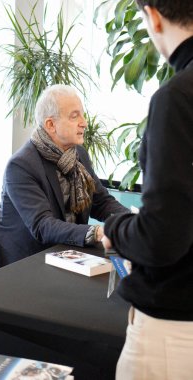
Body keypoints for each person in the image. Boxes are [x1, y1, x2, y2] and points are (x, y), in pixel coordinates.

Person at [102, 1, 193, 379]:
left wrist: (113, 230)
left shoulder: (178, 98)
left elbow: (162, 239)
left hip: (173, 329)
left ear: (152, 16)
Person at [0, 84, 128, 268]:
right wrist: (97, 232)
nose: (84, 122)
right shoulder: (21, 165)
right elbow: (43, 226)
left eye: (82, 114)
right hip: (26, 265)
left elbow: (101, 201)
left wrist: (129, 220)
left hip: (68, 255)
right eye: (75, 116)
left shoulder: (78, 154)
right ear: (51, 124)